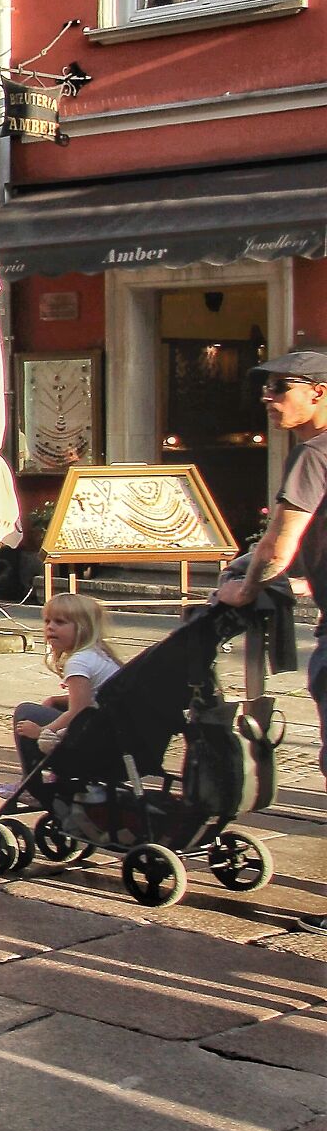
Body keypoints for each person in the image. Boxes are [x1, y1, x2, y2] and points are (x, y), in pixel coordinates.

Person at [215, 350, 327, 933]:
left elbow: (279, 544)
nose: (269, 397)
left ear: (320, 393)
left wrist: (245, 587)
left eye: (281, 386)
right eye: (264, 386)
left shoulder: (314, 453)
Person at [10, 593, 121, 786]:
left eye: (60, 622)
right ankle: (55, 778)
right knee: (50, 708)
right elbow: (91, 697)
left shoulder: (78, 662)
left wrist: (42, 731)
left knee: (25, 713)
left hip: (94, 741)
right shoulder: (98, 654)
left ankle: (32, 784)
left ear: (82, 628)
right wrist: (57, 700)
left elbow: (79, 710)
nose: (50, 627)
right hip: (111, 733)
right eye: (47, 621)